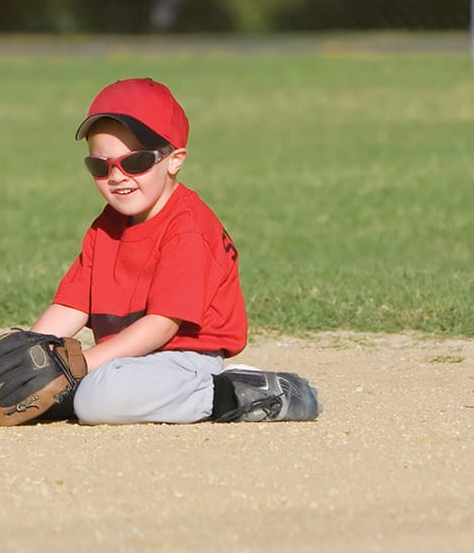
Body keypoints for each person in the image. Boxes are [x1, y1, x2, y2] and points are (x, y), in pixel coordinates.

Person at [31, 78, 321, 424]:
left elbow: (161, 327)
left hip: (185, 360)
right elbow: (71, 306)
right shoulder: (104, 227)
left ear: (174, 160)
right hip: (127, 361)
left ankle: (241, 391)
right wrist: (32, 351)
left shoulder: (189, 228)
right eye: (100, 166)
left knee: (98, 398)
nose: (117, 176)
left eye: (135, 162)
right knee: (55, 390)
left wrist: (81, 365)